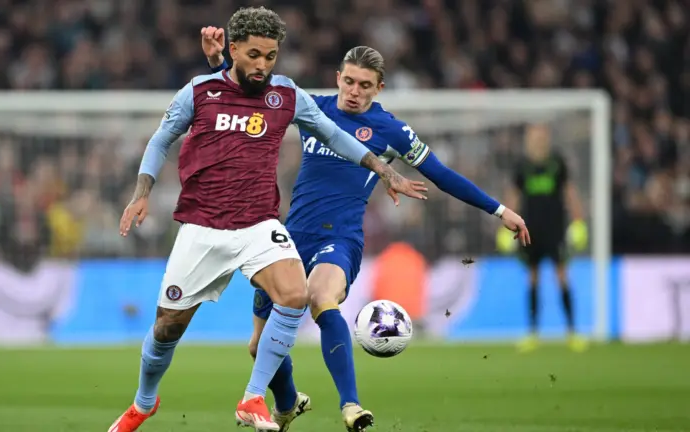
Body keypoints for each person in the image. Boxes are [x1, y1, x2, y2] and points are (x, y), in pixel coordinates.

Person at [108, 7, 427, 432]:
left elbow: (335, 135)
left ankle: (254, 397)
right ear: (234, 50)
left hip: (259, 224)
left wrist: (385, 170)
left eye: (271, 56)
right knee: (167, 327)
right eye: (254, 55)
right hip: (202, 227)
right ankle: (144, 403)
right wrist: (141, 192)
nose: (263, 65)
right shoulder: (199, 92)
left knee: (295, 295)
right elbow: (160, 139)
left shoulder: (286, 95)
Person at [201, 28, 531, 431]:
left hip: (339, 238)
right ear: (338, 77)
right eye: (350, 81)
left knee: (322, 297)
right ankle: (287, 403)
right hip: (290, 239)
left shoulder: (390, 130)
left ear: (379, 88)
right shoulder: (312, 108)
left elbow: (441, 175)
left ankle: (351, 406)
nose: (354, 92)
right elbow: (248, 93)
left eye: (365, 86)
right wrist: (219, 62)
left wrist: (499, 210)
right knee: (258, 347)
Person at [500, 123, 588, 353]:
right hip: (529, 231)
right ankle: (533, 333)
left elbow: (569, 192)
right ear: (528, 140)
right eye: (534, 137)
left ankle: (572, 332)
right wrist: (505, 225)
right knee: (532, 278)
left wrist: (578, 221)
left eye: (541, 136)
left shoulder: (557, 163)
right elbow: (513, 196)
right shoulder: (522, 166)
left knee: (562, 276)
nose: (538, 140)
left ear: (547, 139)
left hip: (555, 230)